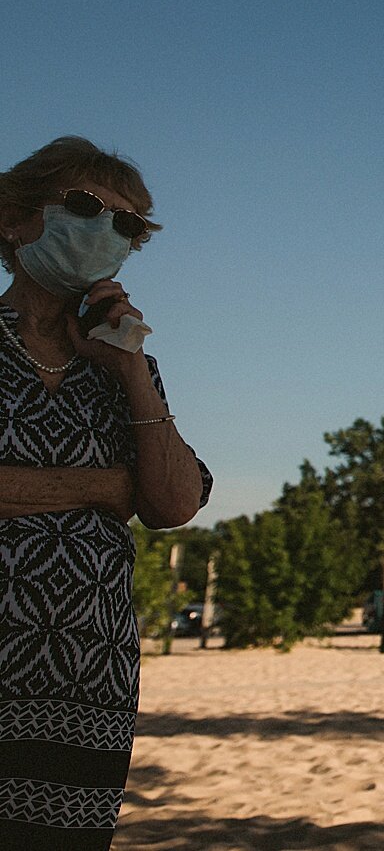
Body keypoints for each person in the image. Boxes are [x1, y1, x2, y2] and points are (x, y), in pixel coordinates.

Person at [0, 137, 210, 849]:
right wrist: (102, 486)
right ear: (14, 219)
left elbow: (174, 503)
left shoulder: (123, 366)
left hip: (87, 687)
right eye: (86, 206)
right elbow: (131, 493)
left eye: (126, 225)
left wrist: (130, 368)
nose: (105, 232)